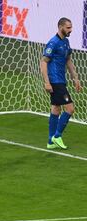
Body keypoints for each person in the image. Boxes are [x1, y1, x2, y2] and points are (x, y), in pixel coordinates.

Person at [40, 17, 82, 150]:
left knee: (56, 108)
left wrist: (75, 78)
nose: (71, 30)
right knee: (70, 108)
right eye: (68, 27)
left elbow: (68, 60)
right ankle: (57, 136)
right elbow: (43, 62)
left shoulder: (66, 42)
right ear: (60, 27)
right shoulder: (53, 43)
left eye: (71, 27)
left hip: (61, 80)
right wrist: (47, 82)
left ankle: (50, 141)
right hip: (55, 81)